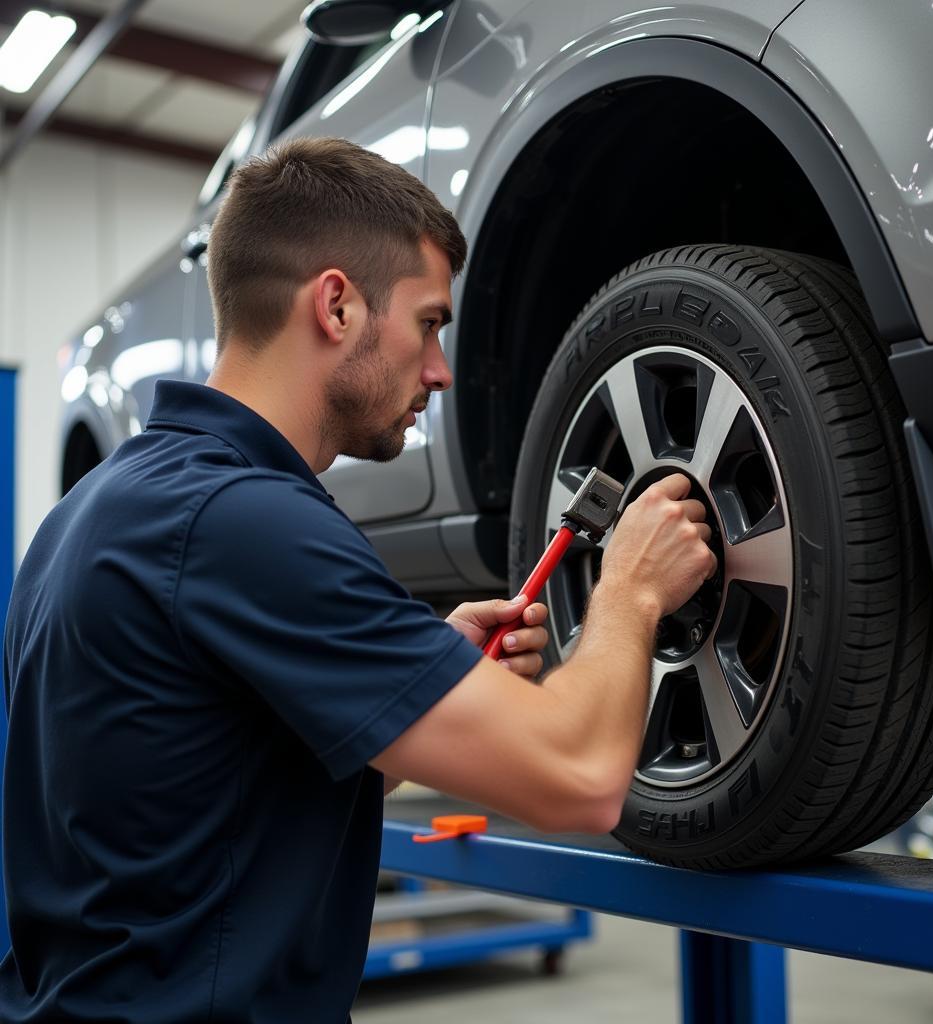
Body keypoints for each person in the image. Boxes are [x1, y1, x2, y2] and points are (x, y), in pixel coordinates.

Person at [0, 137, 716, 1022]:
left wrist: (413, 681)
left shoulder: (91, 512)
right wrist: (631, 593)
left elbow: (213, 797)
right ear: (336, 305)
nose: (442, 370)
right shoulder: (244, 523)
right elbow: (582, 780)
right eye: (427, 323)